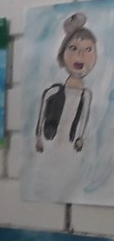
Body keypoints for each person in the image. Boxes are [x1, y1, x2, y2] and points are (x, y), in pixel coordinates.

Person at [36, 12, 96, 154]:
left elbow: (84, 119)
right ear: (62, 54)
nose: (80, 55)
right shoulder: (53, 91)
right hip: (49, 145)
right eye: (73, 48)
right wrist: (38, 138)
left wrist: (80, 138)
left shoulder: (86, 95)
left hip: (71, 149)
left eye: (88, 50)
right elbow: (41, 116)